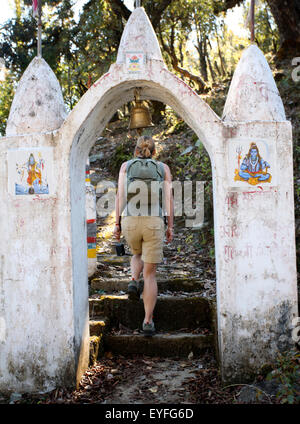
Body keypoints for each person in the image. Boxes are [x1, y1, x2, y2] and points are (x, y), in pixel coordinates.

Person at [114, 136, 174, 336]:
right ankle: (148, 321)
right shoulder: (163, 169)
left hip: (131, 220)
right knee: (150, 275)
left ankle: (132, 279)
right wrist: (170, 227)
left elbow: (120, 197)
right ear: (154, 152)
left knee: (136, 253)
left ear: (135, 150)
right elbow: (168, 201)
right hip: (154, 222)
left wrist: (117, 224)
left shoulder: (126, 166)